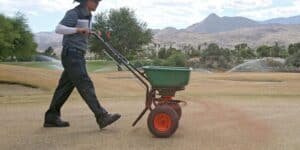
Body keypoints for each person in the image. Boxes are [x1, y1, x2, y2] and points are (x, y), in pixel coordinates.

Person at [44, 0, 121, 129]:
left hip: (76, 54)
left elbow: (81, 33)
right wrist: (78, 29)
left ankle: (51, 117)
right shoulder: (74, 13)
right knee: (85, 83)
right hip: (72, 54)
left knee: (64, 87)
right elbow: (59, 28)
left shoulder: (88, 15)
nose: (97, 3)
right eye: (95, 1)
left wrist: (91, 32)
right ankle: (101, 116)